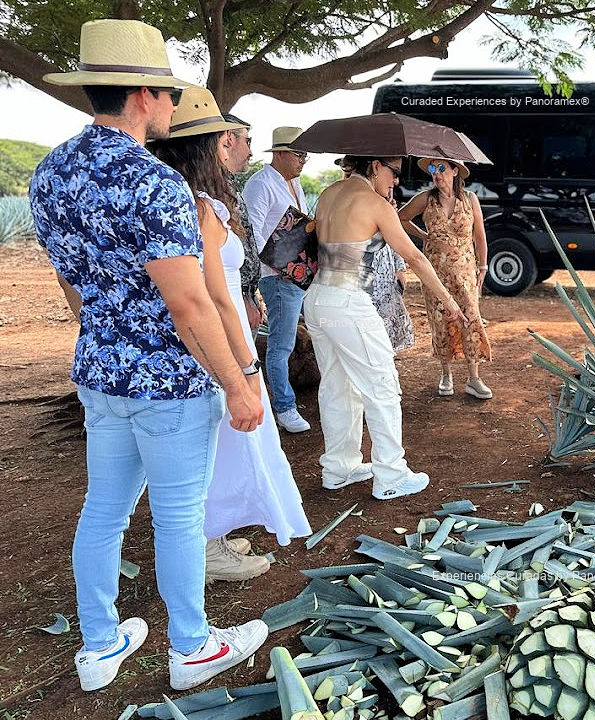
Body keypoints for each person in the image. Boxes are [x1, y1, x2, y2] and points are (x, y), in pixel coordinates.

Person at [28, 19, 268, 693]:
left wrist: (106, 334)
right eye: (165, 92)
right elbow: (189, 306)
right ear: (141, 94)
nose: (170, 106)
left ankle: (100, 646)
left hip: (100, 373)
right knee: (178, 516)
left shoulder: (50, 173)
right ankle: (191, 647)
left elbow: (69, 282)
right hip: (166, 384)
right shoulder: (153, 184)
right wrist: (241, 385)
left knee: (103, 511)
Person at [151, 87, 311, 582]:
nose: (231, 147)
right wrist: (245, 369)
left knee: (217, 441)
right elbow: (213, 300)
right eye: (224, 140)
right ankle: (206, 544)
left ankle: (214, 532)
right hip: (212, 337)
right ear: (206, 147)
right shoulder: (198, 207)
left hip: (213, 331)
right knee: (217, 440)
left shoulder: (185, 201)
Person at [305, 156, 465, 497]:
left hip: (317, 298)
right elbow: (415, 258)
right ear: (375, 165)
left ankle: (338, 468)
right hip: (348, 300)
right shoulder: (375, 203)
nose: (396, 180)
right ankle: (391, 475)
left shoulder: (329, 193)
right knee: (382, 387)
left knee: (336, 386)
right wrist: (449, 301)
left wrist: (384, 213)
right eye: (394, 171)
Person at [398, 158, 492, 398]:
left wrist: (483, 265)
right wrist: (423, 235)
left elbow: (479, 235)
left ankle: (474, 378)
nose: (436, 173)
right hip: (435, 274)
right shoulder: (425, 199)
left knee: (471, 318)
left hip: (465, 272)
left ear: (454, 171)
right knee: (440, 321)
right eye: (432, 169)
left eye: (441, 168)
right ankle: (446, 374)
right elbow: (400, 218)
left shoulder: (470, 199)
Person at [242, 126, 311, 433]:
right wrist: (277, 267)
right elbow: (250, 231)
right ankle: (283, 407)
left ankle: (284, 399)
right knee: (280, 346)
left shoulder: (294, 183)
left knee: (288, 341)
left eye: (306, 155)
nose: (303, 161)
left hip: (300, 274)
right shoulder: (260, 184)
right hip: (278, 276)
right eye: (299, 154)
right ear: (280, 153)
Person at [336, 156, 415, 352]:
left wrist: (399, 267)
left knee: (387, 313)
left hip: (384, 266)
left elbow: (396, 237)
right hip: (359, 272)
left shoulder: (382, 194)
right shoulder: (341, 196)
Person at [221, 113, 265, 334]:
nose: (250, 152)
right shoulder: (215, 187)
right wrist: (243, 297)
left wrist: (252, 293)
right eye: (247, 141)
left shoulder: (225, 183)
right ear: (228, 139)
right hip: (234, 299)